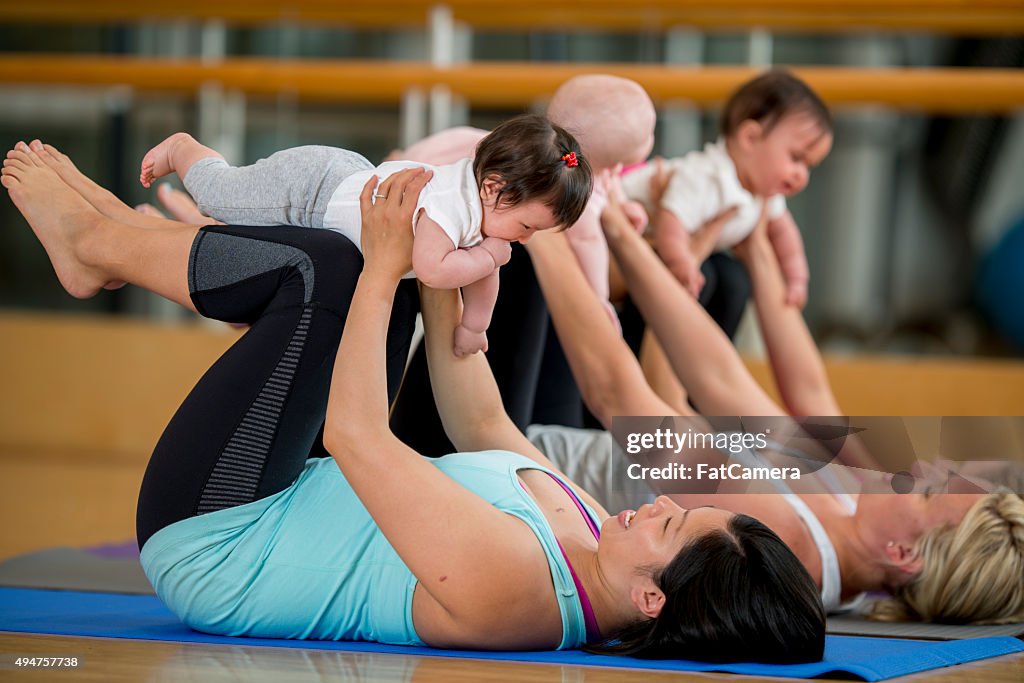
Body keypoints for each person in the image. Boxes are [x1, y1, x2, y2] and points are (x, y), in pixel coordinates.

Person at [3, 141, 825, 662]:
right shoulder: (588, 537)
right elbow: (481, 422)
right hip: (295, 488)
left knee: (328, 270)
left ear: (653, 596)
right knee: (370, 273)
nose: (653, 507)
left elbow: (358, 435)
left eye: (669, 524)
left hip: (218, 536)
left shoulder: (523, 592)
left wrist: (388, 260)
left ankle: (96, 245)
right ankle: (122, 237)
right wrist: (444, 251)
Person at [519, 178, 1024, 623]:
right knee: (719, 275)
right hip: (583, 430)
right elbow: (723, 383)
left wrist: (547, 223)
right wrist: (692, 242)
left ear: (901, 554)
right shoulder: (849, 505)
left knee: (523, 257)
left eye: (928, 493)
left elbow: (618, 394)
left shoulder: (778, 536)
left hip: (524, 454)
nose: (920, 463)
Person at [138, 114, 593, 357]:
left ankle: (191, 225)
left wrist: (474, 326)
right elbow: (436, 270)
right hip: (311, 190)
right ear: (495, 188)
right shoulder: (452, 206)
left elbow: (478, 279)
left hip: (341, 198)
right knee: (222, 193)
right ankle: (185, 151)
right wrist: (491, 257)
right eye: (528, 226)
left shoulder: (483, 213)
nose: (526, 240)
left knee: (253, 251)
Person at [620, 70, 831, 307]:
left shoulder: (764, 193)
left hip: (673, 246)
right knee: (707, 277)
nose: (801, 175)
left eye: (809, 166)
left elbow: (786, 237)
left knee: (733, 281)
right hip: (624, 223)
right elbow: (671, 221)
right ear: (750, 138)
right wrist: (680, 262)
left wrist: (797, 280)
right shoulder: (707, 177)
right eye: (796, 158)